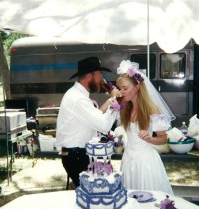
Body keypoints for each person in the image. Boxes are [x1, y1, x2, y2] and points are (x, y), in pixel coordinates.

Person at [56, 56, 119, 188]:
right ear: (89, 76)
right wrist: (115, 101)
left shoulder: (78, 95)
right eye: (100, 74)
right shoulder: (78, 99)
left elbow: (95, 117)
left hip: (78, 155)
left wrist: (109, 102)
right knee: (92, 194)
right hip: (76, 157)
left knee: (89, 194)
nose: (102, 79)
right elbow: (104, 125)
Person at [115, 60, 175, 195]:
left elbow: (163, 139)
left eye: (125, 88)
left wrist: (150, 139)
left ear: (137, 88)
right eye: (120, 88)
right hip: (129, 161)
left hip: (146, 163)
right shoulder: (124, 108)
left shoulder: (152, 109)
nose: (122, 92)